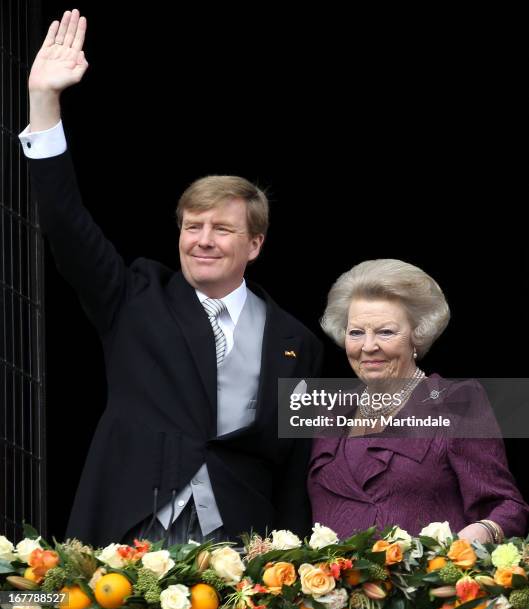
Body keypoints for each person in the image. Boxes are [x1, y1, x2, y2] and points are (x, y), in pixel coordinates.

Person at [20, 9, 323, 547]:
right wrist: (44, 103)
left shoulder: (295, 340)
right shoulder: (134, 296)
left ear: (255, 245)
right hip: (131, 529)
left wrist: (298, 561)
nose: (202, 239)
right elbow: (66, 223)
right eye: (192, 226)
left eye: (222, 228)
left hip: (242, 543)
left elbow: (295, 465)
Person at [308, 259, 529, 542]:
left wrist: (477, 535)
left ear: (417, 335)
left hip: (425, 584)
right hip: (330, 585)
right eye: (356, 333)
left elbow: (507, 507)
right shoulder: (328, 410)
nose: (368, 346)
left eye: (385, 332)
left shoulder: (456, 403)